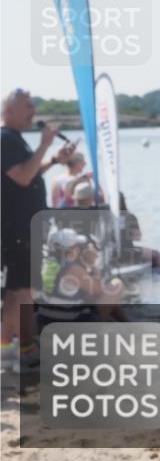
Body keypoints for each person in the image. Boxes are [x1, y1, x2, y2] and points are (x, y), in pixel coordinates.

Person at [1, 89, 75, 370]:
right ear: (9, 111)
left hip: (28, 226)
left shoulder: (15, 139)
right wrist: (44, 145)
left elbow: (28, 172)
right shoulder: (4, 139)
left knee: (27, 290)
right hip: (14, 228)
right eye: (28, 107)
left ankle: (27, 346)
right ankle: (7, 351)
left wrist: (54, 159)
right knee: (16, 291)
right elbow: (20, 177)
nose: (34, 112)